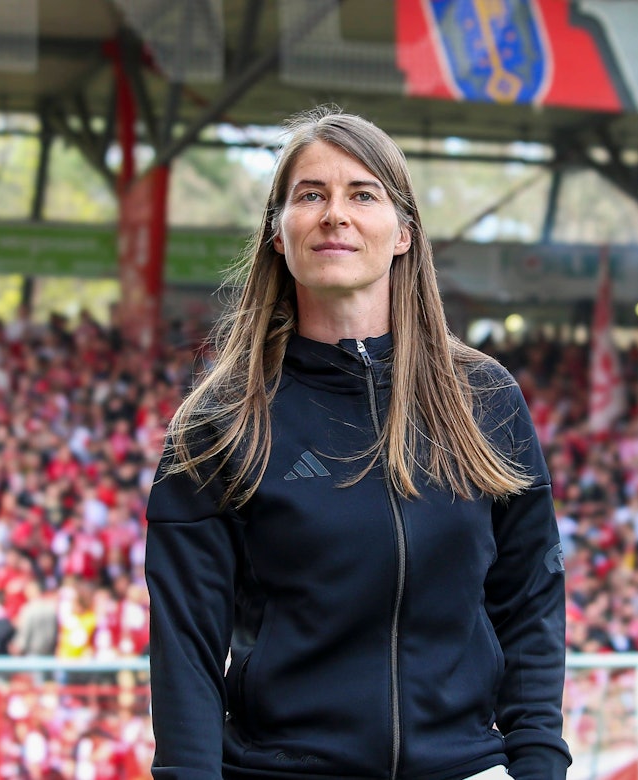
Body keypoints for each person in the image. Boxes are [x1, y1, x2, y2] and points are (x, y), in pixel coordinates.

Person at [145, 107, 572, 780]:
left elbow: (530, 602)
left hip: (468, 767)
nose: (334, 214)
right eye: (310, 194)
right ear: (278, 234)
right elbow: (185, 648)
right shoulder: (220, 420)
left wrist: (540, 765)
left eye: (361, 194)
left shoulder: (484, 399)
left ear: (403, 232)